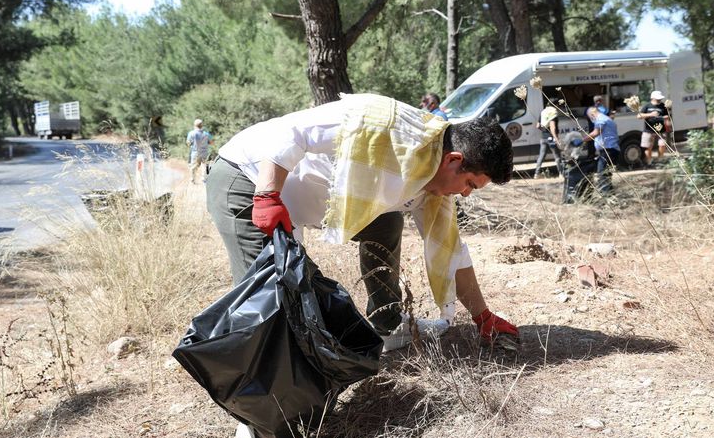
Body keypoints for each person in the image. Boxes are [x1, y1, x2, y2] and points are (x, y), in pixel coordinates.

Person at [206, 93, 520, 353]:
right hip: (248, 178)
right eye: (470, 184)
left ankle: (387, 323)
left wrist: (483, 317)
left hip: (291, 200)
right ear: (453, 160)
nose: (465, 194)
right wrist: (266, 194)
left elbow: (452, 252)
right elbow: (289, 131)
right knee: (270, 293)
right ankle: (259, 412)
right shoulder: (382, 124)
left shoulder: (433, 184)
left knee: (386, 223)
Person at [571, 107, 620, 195]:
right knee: (606, 175)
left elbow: (595, 133)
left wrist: (582, 140)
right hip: (611, 150)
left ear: (592, 114)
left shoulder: (600, 119)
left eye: (590, 117)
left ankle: (606, 198)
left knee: (602, 175)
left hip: (607, 151)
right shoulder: (607, 119)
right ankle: (611, 196)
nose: (591, 119)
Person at [533, 99, 564, 179]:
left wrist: (544, 131)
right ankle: (561, 174)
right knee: (557, 156)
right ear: (555, 105)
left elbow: (538, 126)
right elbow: (552, 127)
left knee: (541, 156)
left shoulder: (543, 111)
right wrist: (556, 139)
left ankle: (537, 174)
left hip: (543, 137)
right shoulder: (553, 112)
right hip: (551, 138)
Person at [637, 90, 668, 165]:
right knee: (648, 147)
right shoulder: (647, 106)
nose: (659, 100)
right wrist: (650, 114)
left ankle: (660, 160)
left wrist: (661, 118)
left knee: (662, 145)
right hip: (648, 130)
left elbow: (667, 116)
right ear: (652, 98)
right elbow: (639, 116)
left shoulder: (663, 106)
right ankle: (649, 162)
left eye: (660, 98)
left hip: (661, 129)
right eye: (657, 98)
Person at [186, 119, 213, 184]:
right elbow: (211, 142)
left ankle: (193, 180)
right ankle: (204, 180)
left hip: (195, 152)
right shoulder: (206, 134)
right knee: (204, 166)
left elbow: (188, 143)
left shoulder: (191, 133)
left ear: (194, 125)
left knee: (193, 166)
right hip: (204, 152)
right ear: (202, 125)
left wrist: (192, 144)